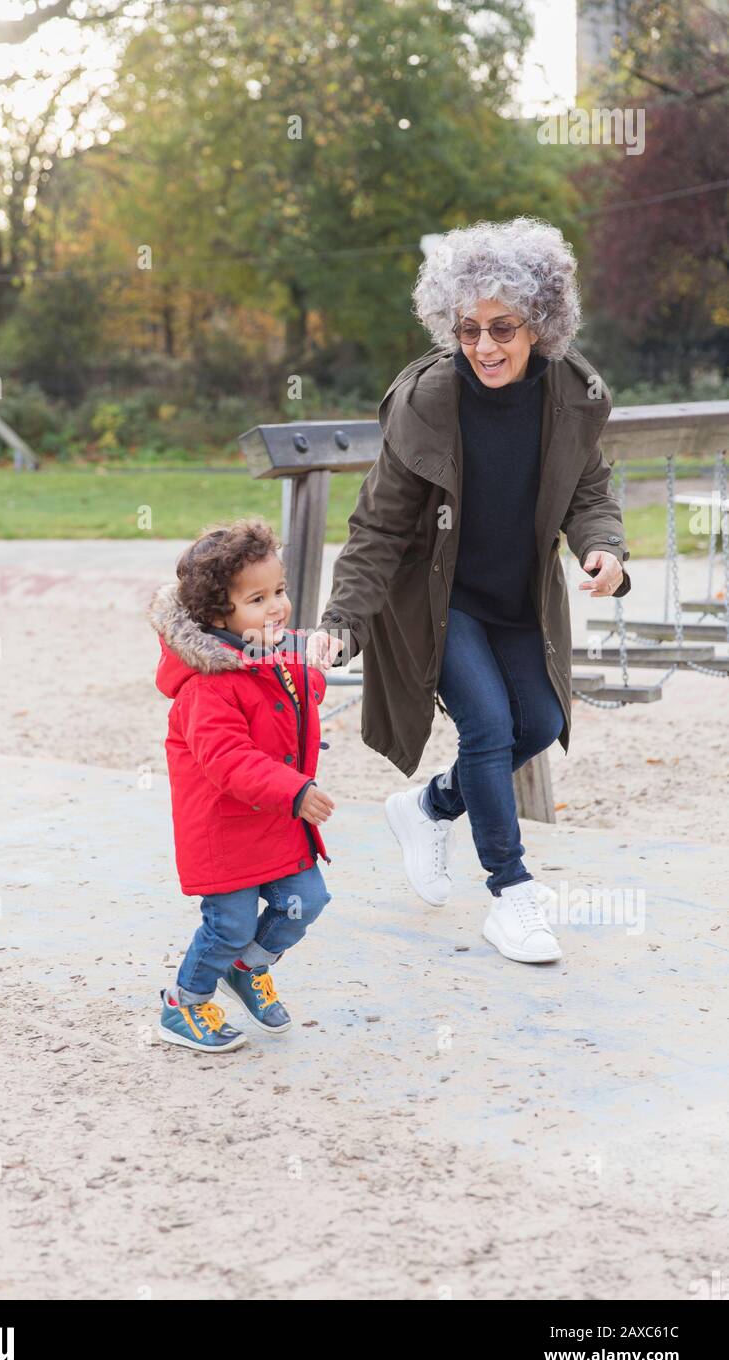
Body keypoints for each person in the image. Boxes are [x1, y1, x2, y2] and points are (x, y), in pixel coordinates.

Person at [307, 215, 631, 966]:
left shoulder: (574, 396)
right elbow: (377, 530)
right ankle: (511, 892)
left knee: (542, 723)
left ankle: (429, 807)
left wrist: (602, 548)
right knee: (486, 726)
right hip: (437, 599)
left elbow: (589, 491)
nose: (484, 347)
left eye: (503, 328)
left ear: (541, 325)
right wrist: (342, 622)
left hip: (519, 597)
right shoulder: (427, 401)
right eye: (468, 329)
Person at [149, 517, 333, 1051]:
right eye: (258, 598)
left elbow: (292, 689)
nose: (277, 606)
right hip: (225, 832)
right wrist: (295, 792)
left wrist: (315, 671)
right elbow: (227, 759)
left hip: (274, 824)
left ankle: (247, 968)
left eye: (280, 591)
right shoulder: (205, 688)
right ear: (215, 616)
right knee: (228, 924)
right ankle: (183, 1003)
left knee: (307, 900)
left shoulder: (269, 650)